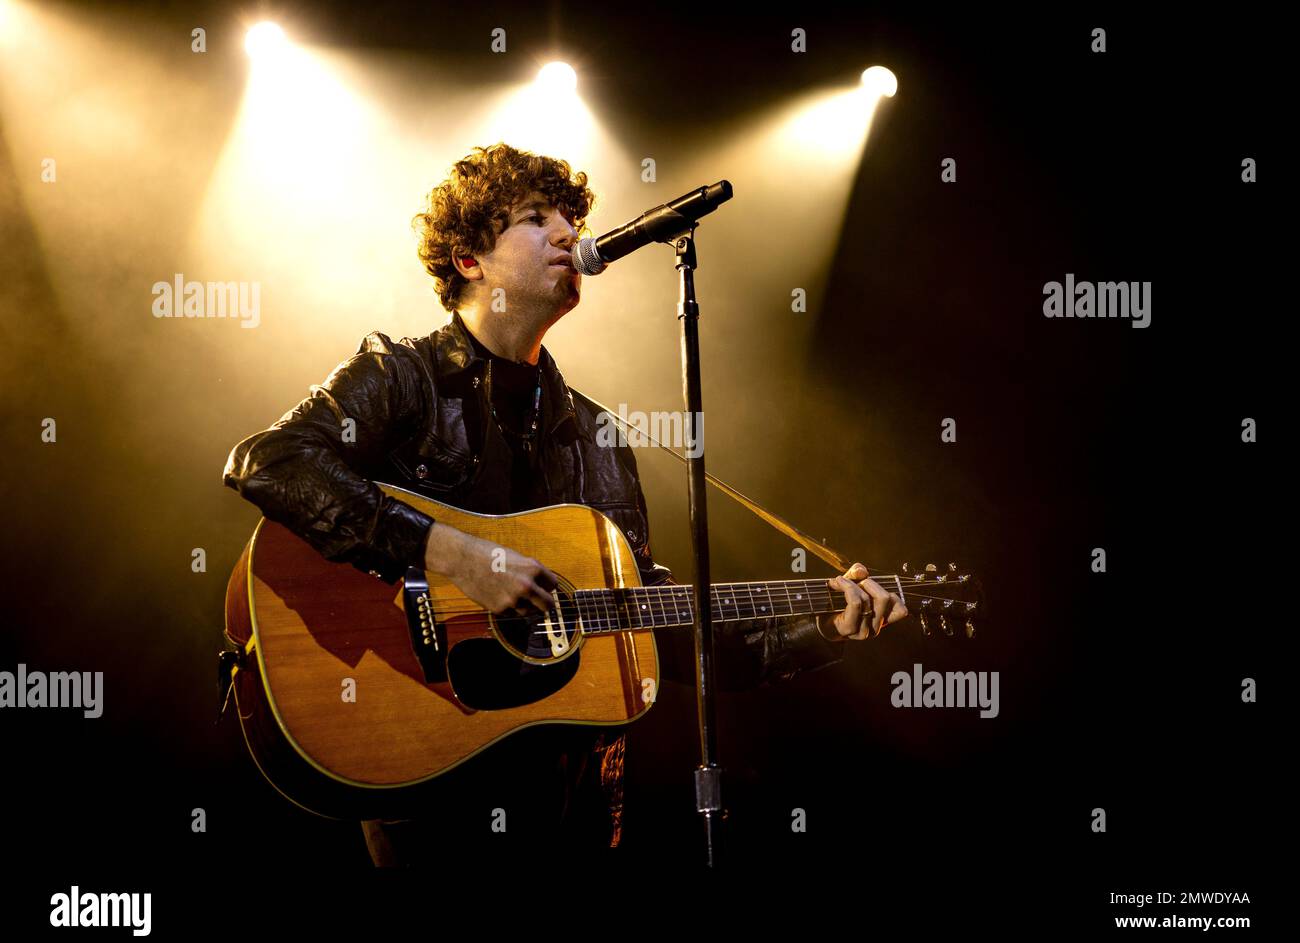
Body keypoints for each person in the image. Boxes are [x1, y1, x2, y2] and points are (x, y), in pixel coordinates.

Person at [222, 143, 907, 864]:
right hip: (432, 778)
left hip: (572, 810)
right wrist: (457, 555)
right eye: (534, 219)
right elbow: (267, 462)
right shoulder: (403, 376)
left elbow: (657, 623)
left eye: (571, 218)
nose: (567, 235)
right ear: (468, 260)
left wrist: (823, 626)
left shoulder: (599, 437)